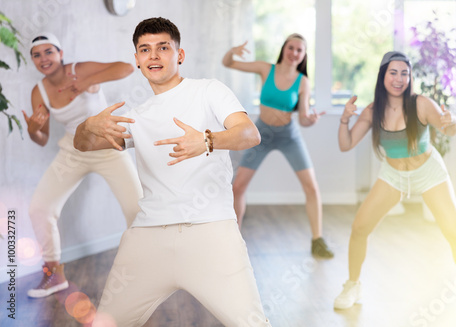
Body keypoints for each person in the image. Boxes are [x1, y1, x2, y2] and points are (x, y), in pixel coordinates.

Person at [73, 17, 271, 326]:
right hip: (148, 237)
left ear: (179, 55)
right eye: (145, 49)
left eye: (163, 47)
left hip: (211, 231)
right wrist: (87, 127)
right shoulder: (136, 118)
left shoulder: (209, 91)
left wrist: (208, 140)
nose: (153, 55)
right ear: (137, 60)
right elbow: (84, 145)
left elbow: (250, 134)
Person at [333, 51, 456, 317]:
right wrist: (345, 118)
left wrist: (453, 121)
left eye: (405, 73)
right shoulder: (372, 111)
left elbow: (449, 128)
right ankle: (352, 285)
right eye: (393, 72)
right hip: (393, 175)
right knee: (359, 228)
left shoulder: (420, 104)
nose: (400, 78)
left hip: (428, 172)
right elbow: (345, 145)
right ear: (383, 76)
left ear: (410, 77)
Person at [23, 32, 142, 298]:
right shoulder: (39, 91)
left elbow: (127, 67)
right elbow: (41, 140)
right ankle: (53, 274)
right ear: (32, 60)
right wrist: (33, 129)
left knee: (137, 209)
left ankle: (145, 273)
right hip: (73, 151)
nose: (44, 58)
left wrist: (90, 80)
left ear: (60, 53)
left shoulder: (79, 70)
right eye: (37, 54)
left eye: (48, 52)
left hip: (107, 146)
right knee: (40, 209)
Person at [222, 35, 334, 259]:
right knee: (238, 187)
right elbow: (228, 63)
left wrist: (309, 120)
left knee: (311, 187)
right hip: (261, 134)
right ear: (284, 49)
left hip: (288, 136)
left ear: (303, 56)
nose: (294, 53)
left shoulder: (303, 81)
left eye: (299, 50)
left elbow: (302, 117)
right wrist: (232, 51)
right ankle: (233, 242)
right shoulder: (266, 69)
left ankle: (318, 240)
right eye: (291, 48)